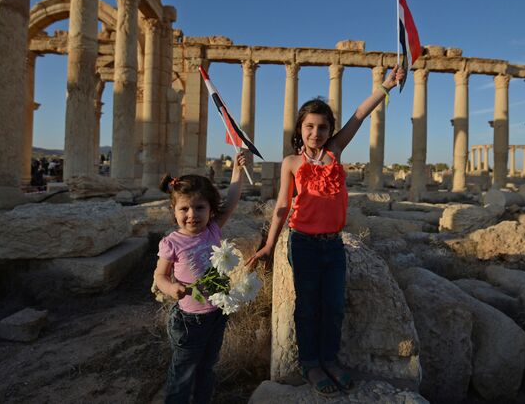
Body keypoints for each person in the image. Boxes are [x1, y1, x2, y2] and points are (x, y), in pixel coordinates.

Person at [246, 64, 405, 397]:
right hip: (302, 244)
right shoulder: (291, 163)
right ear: (300, 129)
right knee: (307, 307)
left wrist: (386, 85)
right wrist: (268, 245)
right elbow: (281, 206)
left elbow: (360, 115)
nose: (315, 133)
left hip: (333, 246)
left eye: (322, 127)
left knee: (333, 306)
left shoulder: (335, 151)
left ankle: (330, 359)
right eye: (309, 127)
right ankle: (310, 363)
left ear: (330, 130)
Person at [153, 151, 247, 404]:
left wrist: (238, 170)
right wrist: (171, 288)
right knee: (183, 372)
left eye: (199, 207)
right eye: (184, 208)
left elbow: (233, 199)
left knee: (208, 367)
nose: (192, 214)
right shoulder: (171, 242)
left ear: (210, 210)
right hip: (188, 322)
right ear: (174, 211)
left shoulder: (213, 229)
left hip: (216, 315)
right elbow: (160, 275)